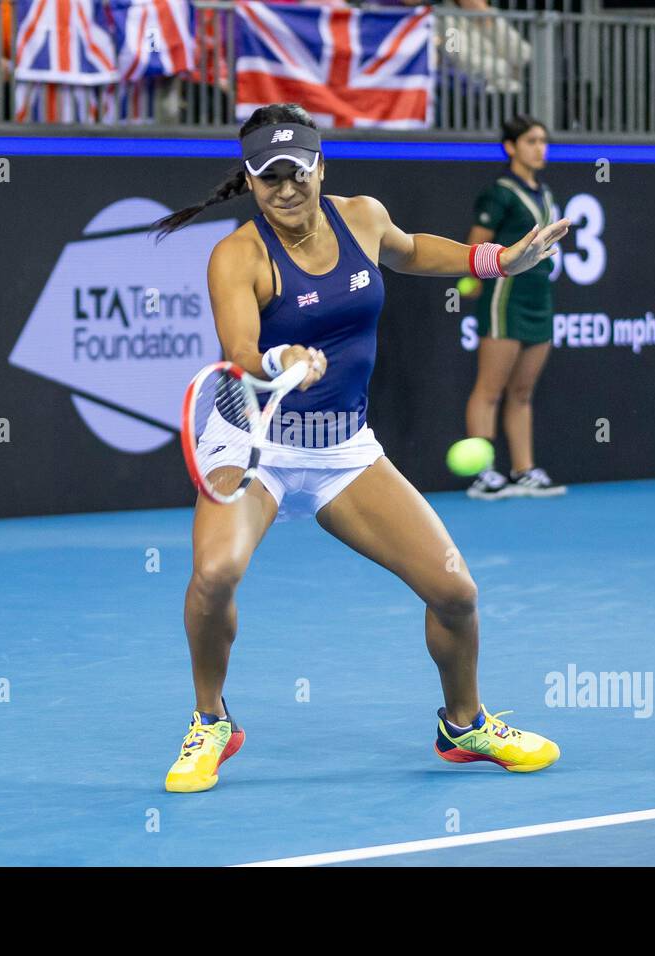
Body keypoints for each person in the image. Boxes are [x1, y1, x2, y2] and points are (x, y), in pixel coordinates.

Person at [150, 102, 570, 793]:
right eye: (268, 178)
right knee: (215, 574)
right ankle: (210, 720)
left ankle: (463, 725)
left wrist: (496, 260)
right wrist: (278, 359)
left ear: (320, 166)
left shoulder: (363, 217)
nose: (285, 189)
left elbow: (410, 249)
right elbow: (239, 352)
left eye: (296, 173)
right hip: (255, 442)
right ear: (250, 183)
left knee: (455, 592)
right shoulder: (237, 255)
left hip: (342, 447)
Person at [461, 114, 565, 499]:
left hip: (539, 296)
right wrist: (470, 284)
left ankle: (524, 470)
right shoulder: (500, 193)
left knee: (522, 391)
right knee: (489, 388)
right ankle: (484, 473)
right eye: (532, 141)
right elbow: (476, 245)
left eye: (543, 140)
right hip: (504, 298)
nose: (541, 148)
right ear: (511, 147)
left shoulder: (545, 191)